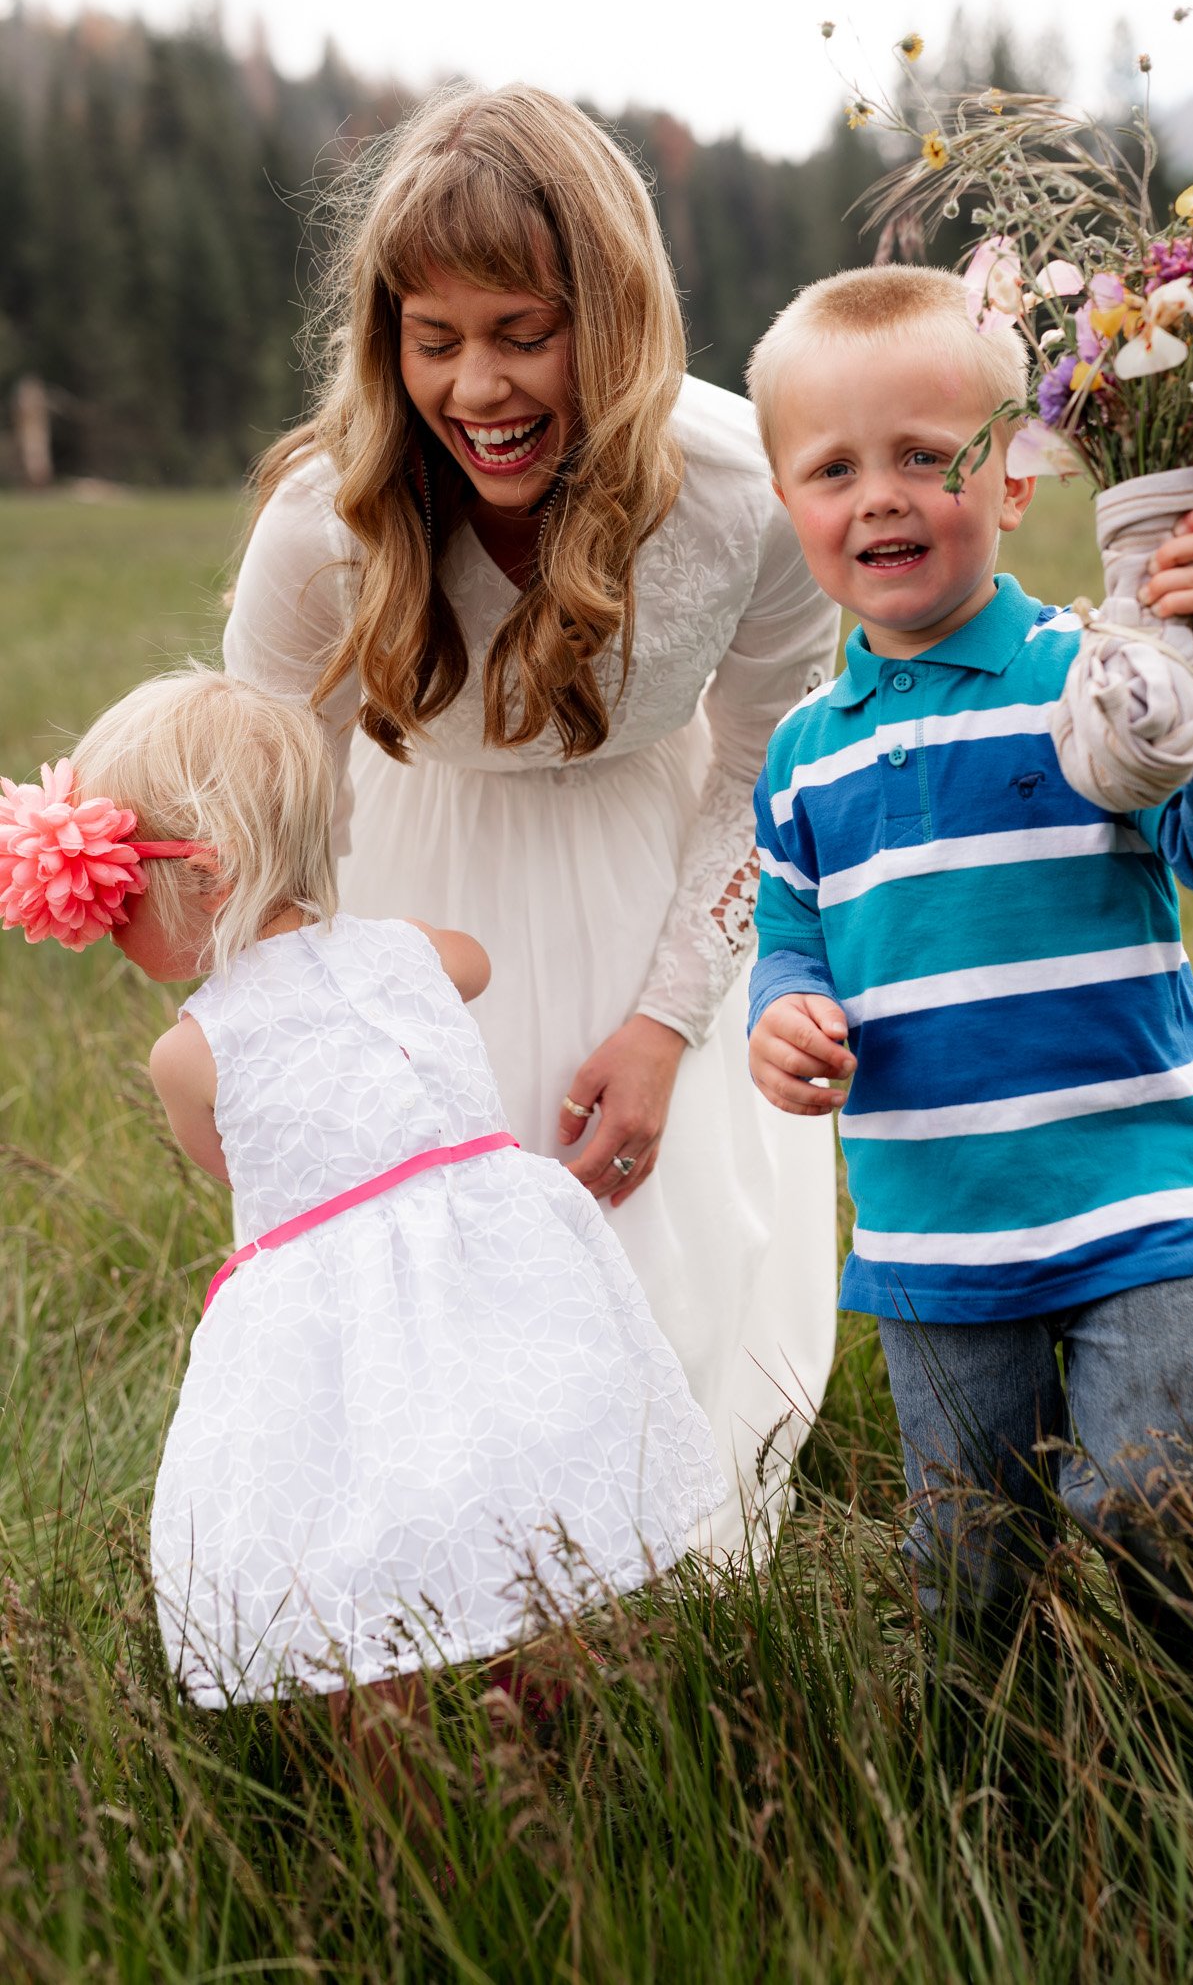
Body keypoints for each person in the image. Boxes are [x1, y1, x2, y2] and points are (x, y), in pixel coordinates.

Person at [223, 87, 840, 1553]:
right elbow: (260, 787)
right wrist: (311, 1025)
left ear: (611, 317)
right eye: (434, 339)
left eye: (522, 331)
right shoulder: (330, 517)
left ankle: (659, 1601)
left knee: (668, 1262)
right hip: (415, 902)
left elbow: (765, 770)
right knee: (433, 1284)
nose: (477, 385)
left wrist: (665, 1021)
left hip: (662, 880)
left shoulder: (748, 493)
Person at [0, 669, 723, 1834]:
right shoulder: (415, 953)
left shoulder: (191, 1055)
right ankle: (549, 1745)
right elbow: (475, 961)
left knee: (354, 1571)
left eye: (118, 893)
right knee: (512, 1509)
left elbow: (245, 1176)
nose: (99, 924)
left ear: (208, 874)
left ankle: (410, 1822)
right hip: (495, 1292)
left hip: (333, 1335)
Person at [743, 265, 1193, 1646]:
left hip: (1129, 1183)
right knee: (972, 1567)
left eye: (927, 458)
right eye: (833, 468)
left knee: (1165, 1490)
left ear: (1018, 481)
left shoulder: (1095, 673)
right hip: (934, 1215)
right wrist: (786, 1013)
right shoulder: (804, 755)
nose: (880, 495)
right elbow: (787, 935)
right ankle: (995, 1790)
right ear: (786, 501)